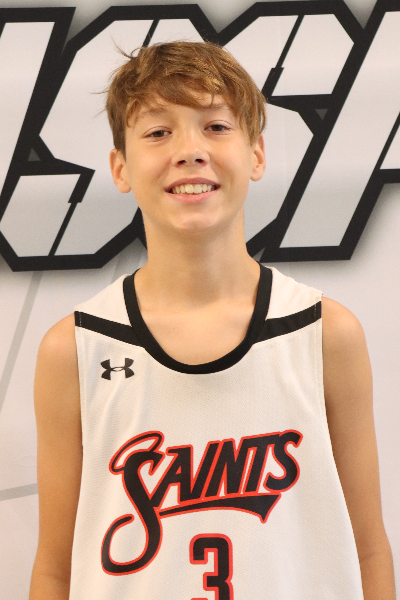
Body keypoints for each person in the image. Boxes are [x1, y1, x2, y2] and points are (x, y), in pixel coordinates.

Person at [29, 41, 396, 599]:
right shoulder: (75, 349)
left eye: (217, 127)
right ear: (121, 167)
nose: (190, 151)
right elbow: (55, 569)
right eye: (158, 132)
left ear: (256, 154)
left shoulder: (324, 333)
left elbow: (368, 549)